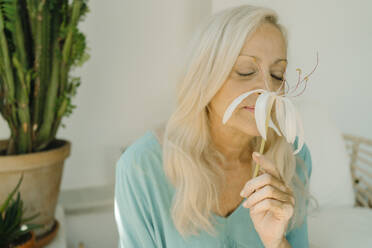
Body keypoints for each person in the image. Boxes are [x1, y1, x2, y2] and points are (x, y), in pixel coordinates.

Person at [114, 4, 316, 248]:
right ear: (205, 76)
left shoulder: (294, 158)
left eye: (277, 75)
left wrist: (276, 242)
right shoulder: (140, 168)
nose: (266, 90)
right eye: (245, 71)